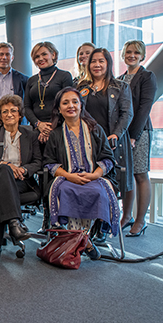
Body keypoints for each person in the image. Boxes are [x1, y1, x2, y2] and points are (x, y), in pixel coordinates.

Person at [43, 87, 120, 260]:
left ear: (81, 105)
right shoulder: (55, 134)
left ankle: (78, 239)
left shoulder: (95, 129)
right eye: (65, 103)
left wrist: (94, 175)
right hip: (66, 178)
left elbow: (108, 159)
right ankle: (85, 241)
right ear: (59, 109)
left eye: (74, 102)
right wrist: (69, 176)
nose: (71, 106)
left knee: (97, 192)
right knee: (66, 191)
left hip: (93, 177)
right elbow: (49, 163)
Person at [0, 94, 41, 267]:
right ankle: (14, 223)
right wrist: (7, 165)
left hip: (20, 181)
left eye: (13, 110)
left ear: (20, 115)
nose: (9, 114)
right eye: (4, 111)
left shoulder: (30, 135)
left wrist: (25, 170)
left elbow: (37, 162)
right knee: (3, 170)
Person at [77, 48, 133, 241]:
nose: (97, 65)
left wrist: (116, 135)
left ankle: (103, 226)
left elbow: (127, 114)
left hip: (111, 143)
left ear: (108, 63)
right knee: (89, 183)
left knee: (108, 184)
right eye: (93, 61)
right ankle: (86, 226)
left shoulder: (120, 86)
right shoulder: (81, 86)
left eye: (101, 61)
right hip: (87, 143)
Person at [118, 40, 157, 237]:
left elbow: (144, 108)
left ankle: (140, 221)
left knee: (140, 174)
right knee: (126, 174)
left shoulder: (147, 76)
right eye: (128, 52)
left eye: (136, 52)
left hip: (139, 132)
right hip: (122, 133)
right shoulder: (119, 78)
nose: (131, 55)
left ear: (142, 55)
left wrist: (133, 136)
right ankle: (126, 217)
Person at [24, 41, 73, 144]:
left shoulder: (64, 76)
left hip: (59, 128)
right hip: (36, 130)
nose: (41, 58)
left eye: (44, 54)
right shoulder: (31, 80)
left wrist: (49, 128)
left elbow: (69, 104)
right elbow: (27, 107)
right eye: (37, 56)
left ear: (53, 54)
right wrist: (38, 124)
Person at [0, 42, 29, 126]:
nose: (4, 57)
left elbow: (27, 103)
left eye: (7, 54)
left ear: (12, 58)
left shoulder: (23, 79)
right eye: (1, 54)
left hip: (17, 124)